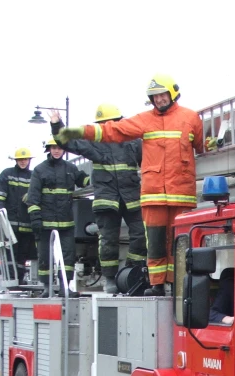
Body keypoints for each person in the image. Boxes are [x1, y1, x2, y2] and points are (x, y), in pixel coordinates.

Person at [56, 74, 205, 296]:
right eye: (155, 97)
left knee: (178, 241)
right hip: (150, 194)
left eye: (162, 95)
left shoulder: (191, 117)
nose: (159, 100)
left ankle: (172, 282)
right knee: (152, 242)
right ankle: (153, 283)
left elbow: (201, 145)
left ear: (172, 93)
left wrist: (212, 143)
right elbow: (109, 132)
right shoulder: (141, 122)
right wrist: (76, 131)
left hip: (178, 193)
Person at [50, 107, 145, 294]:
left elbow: (150, 157)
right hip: (107, 200)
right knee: (108, 240)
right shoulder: (94, 142)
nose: (108, 126)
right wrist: (56, 125)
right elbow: (68, 142)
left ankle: (130, 271)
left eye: (111, 122)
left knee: (141, 235)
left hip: (131, 197)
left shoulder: (133, 142)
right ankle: (110, 278)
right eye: (104, 123)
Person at [27, 138, 90, 297]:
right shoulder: (39, 170)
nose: (57, 150)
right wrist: (35, 219)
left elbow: (84, 182)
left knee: (68, 256)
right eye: (53, 148)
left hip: (66, 223)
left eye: (59, 148)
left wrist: (98, 168)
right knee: (45, 257)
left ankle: (65, 287)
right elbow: (33, 197)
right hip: (45, 223)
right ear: (49, 149)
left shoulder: (70, 168)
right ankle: (47, 288)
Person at [0, 147, 38, 283]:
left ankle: (19, 278)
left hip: (27, 223)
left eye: (25, 159)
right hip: (10, 224)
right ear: (15, 160)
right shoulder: (7, 174)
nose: (23, 162)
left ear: (29, 160)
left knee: (22, 255)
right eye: (20, 159)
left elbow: (40, 192)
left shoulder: (34, 176)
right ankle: (12, 278)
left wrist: (31, 195)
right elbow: (0, 194)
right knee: (10, 254)